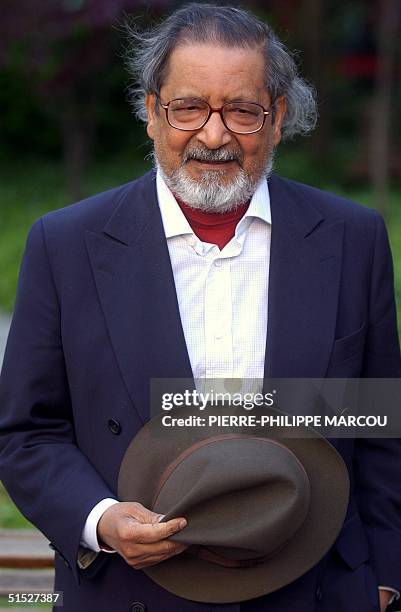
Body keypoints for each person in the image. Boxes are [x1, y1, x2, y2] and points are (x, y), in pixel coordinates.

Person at [0, 4, 400, 611]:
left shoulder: (353, 237)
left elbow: (377, 427)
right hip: (132, 590)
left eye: (241, 110)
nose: (213, 135)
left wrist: (385, 579)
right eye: (188, 107)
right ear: (150, 112)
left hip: (315, 592)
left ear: (278, 118)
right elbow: (26, 433)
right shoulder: (64, 245)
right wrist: (100, 520)